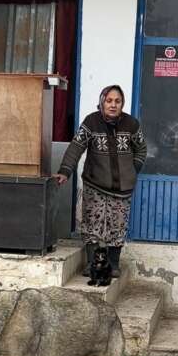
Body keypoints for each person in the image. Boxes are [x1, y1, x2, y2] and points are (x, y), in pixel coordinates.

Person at [56, 85, 146, 278]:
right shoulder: (91, 122)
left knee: (118, 225)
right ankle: (91, 264)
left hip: (122, 188)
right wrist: (65, 171)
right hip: (95, 184)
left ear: (122, 104)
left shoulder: (132, 124)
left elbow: (141, 149)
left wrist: (132, 169)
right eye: (109, 100)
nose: (113, 105)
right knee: (92, 225)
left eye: (118, 101)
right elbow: (76, 147)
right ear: (102, 101)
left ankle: (113, 265)